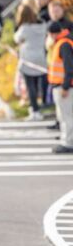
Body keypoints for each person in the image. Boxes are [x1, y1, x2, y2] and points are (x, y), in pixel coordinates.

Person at [14, 7, 48, 121]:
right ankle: (39, 106)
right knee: (38, 85)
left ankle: (35, 110)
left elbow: (16, 39)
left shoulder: (25, 28)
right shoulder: (42, 26)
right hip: (41, 58)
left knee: (30, 86)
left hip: (28, 59)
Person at [47, 22, 73, 154]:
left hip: (64, 87)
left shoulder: (63, 44)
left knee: (66, 116)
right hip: (63, 85)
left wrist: (65, 86)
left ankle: (68, 143)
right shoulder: (65, 42)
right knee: (64, 116)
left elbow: (69, 68)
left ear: (52, 34)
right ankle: (66, 140)